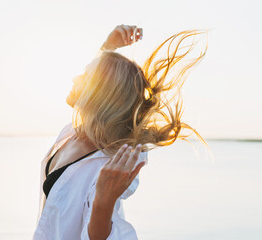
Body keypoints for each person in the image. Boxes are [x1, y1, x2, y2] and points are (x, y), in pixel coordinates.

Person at [33, 25, 208, 239]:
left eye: (84, 76)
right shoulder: (74, 134)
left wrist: (103, 203)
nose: (73, 78)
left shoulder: (110, 163)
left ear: (101, 94)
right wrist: (108, 48)